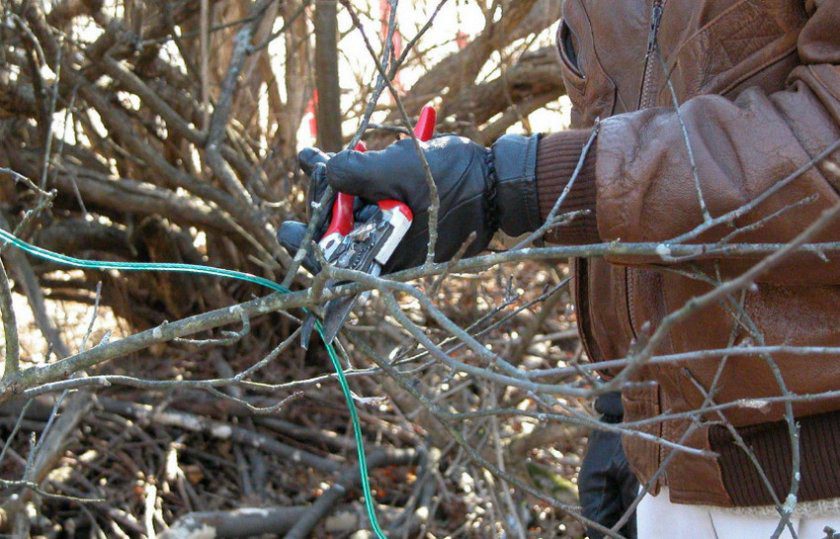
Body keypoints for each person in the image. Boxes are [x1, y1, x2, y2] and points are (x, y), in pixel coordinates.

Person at [280, 1, 840, 537]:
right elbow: (628, 142)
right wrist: (628, 407)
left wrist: (521, 185)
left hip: (815, 484)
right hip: (676, 473)